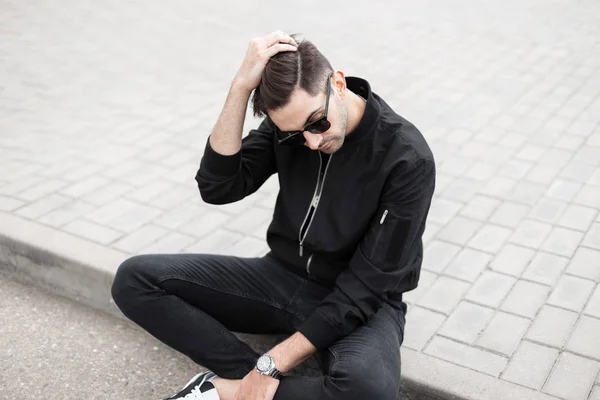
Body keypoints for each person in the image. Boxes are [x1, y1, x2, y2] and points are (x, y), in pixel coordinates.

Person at [111, 31, 436, 400]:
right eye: (297, 133)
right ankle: (251, 384)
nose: (312, 142)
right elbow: (218, 187)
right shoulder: (289, 129)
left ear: (338, 84)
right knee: (134, 280)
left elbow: (367, 287)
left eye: (318, 123)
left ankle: (223, 390)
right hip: (279, 276)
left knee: (368, 391)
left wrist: (275, 361)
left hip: (360, 299)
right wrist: (239, 89)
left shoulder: (407, 158)